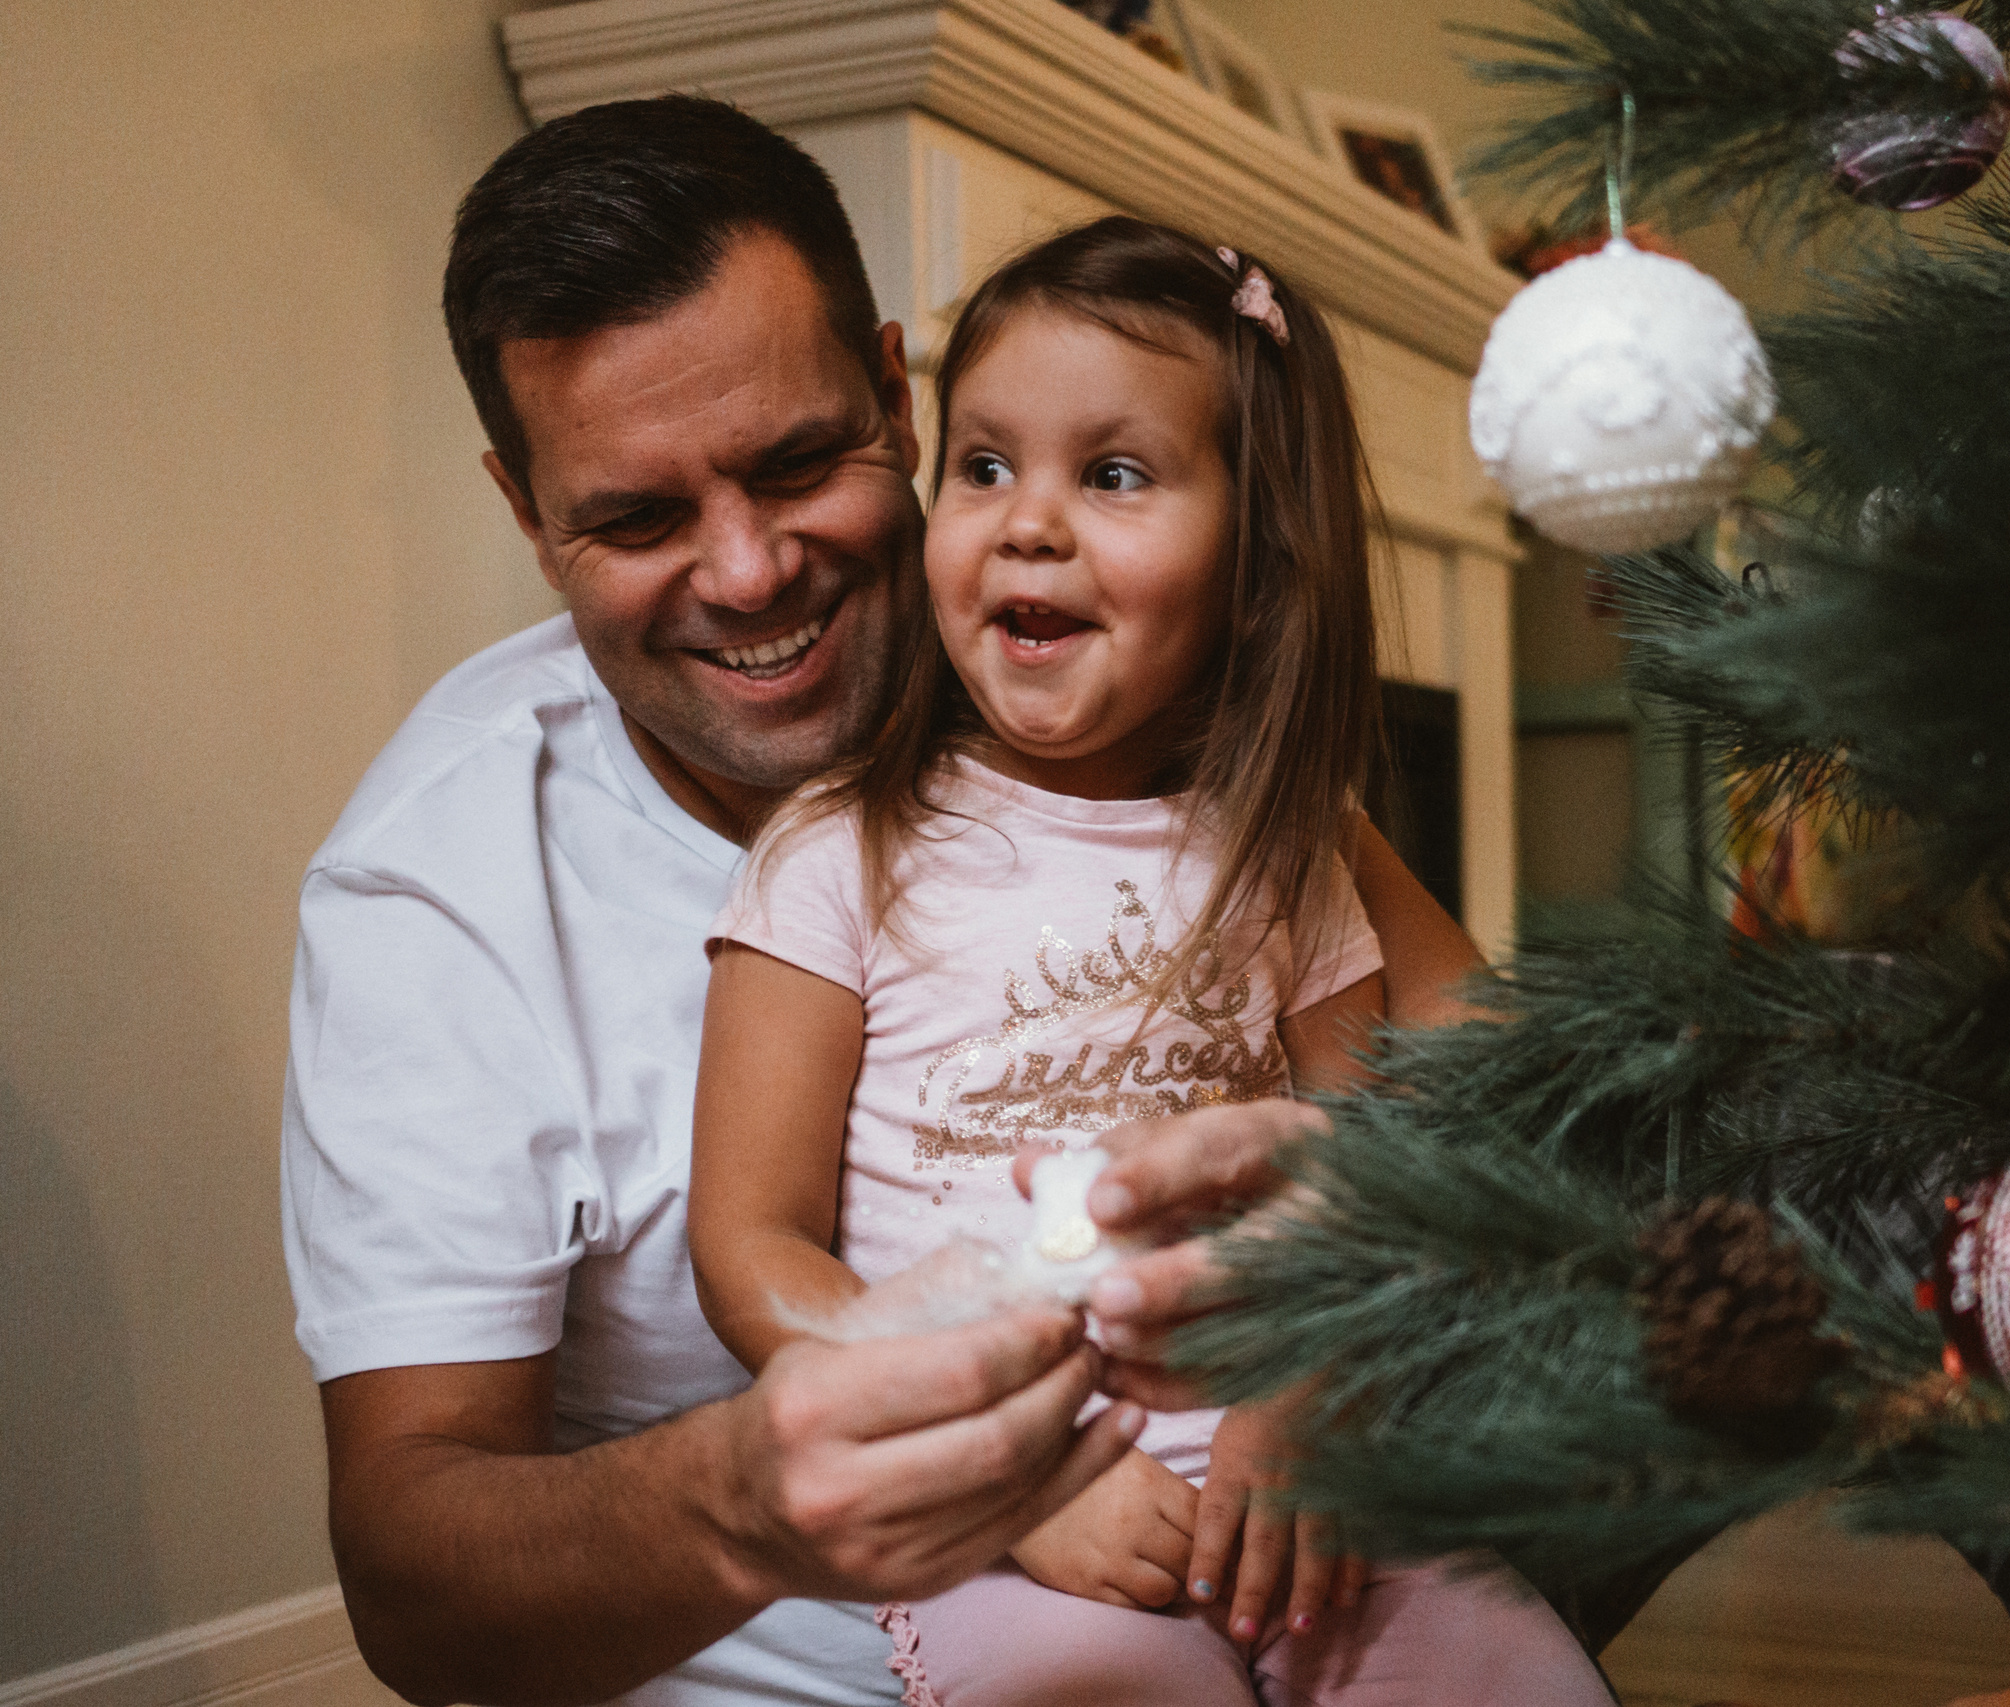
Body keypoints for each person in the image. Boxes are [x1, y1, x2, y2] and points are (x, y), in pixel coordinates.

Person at [280, 98, 1479, 1707]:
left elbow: (1491, 1094)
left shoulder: (1114, 700)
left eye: (797, 464)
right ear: (525, 511)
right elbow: (413, 1588)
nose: (750, 574)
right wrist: (770, 1495)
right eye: (637, 517)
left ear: (897, 400)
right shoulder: (433, 893)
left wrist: (1327, 1369)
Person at [687, 216, 1615, 1707]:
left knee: (1520, 1678)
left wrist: (1313, 1399)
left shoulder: (1285, 848)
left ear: (1253, 565)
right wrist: (1009, 1475)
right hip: (1003, 1508)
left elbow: (1370, 1169)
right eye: (984, 466)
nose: (1029, 523)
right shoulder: (833, 853)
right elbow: (752, 1243)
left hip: (1299, 1459)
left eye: (1113, 476)